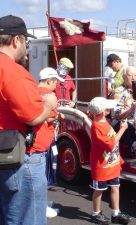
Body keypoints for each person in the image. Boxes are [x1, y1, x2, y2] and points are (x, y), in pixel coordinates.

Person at [0, 15, 57, 225]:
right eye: (26, 41)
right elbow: (32, 116)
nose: (27, 46)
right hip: (18, 161)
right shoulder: (13, 71)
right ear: (16, 40)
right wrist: (49, 104)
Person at [88, 97, 131, 225]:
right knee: (99, 190)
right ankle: (96, 213)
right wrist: (123, 129)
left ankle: (116, 213)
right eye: (107, 108)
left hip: (111, 162)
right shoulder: (97, 127)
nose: (109, 110)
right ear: (103, 111)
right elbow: (111, 144)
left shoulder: (104, 121)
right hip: (101, 165)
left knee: (115, 187)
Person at [38, 67, 65, 218]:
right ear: (49, 80)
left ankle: (43, 202)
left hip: (42, 140)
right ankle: (41, 206)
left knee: (43, 174)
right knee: (43, 175)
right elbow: (47, 117)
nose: (56, 85)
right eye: (55, 82)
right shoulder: (48, 95)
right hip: (44, 142)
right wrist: (59, 116)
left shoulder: (35, 91)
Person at [110, 66, 136, 150]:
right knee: (126, 125)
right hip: (123, 122)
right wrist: (132, 108)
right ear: (124, 77)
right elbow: (118, 115)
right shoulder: (118, 92)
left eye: (135, 75)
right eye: (130, 75)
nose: (133, 78)